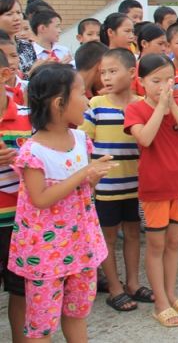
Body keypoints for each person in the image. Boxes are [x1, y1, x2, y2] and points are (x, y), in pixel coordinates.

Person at [10, 64, 114, 341]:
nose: (88, 100)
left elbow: (85, 191)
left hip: (82, 247)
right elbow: (40, 199)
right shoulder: (33, 150)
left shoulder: (81, 139)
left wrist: (93, 177)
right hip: (46, 254)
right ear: (59, 103)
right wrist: (84, 174)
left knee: (77, 313)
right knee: (41, 324)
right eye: (81, 93)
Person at [124, 54, 178, 327]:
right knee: (155, 245)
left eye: (169, 79)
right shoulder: (136, 109)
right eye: (156, 80)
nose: (163, 86)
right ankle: (160, 302)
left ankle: (170, 293)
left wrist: (173, 107)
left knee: (173, 243)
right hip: (154, 189)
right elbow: (144, 138)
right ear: (141, 82)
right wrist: (160, 107)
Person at [80, 48, 152, 313]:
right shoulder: (96, 105)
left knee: (133, 234)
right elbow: (82, 142)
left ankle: (133, 283)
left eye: (113, 71)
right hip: (106, 187)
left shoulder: (142, 104)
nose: (106, 77)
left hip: (135, 183)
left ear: (132, 73)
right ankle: (114, 287)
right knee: (107, 238)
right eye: (102, 72)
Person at [0, 50, 31, 342]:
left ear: (5, 75)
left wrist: (23, 157)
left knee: (20, 290)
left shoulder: (27, 118)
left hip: (19, 222)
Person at [0, 0, 36, 78]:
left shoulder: (27, 46)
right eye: (9, 14)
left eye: (19, 13)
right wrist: (30, 73)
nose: (16, 18)